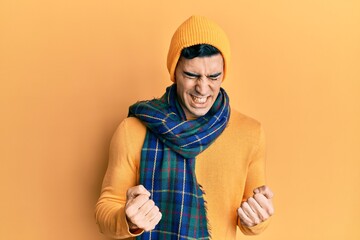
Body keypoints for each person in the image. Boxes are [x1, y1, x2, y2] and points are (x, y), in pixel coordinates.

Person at [95, 15, 274, 239]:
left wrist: (256, 219)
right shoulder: (133, 130)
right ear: (174, 72)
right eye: (191, 75)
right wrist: (128, 220)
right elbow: (105, 210)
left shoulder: (250, 133)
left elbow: (249, 222)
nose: (202, 88)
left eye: (213, 76)